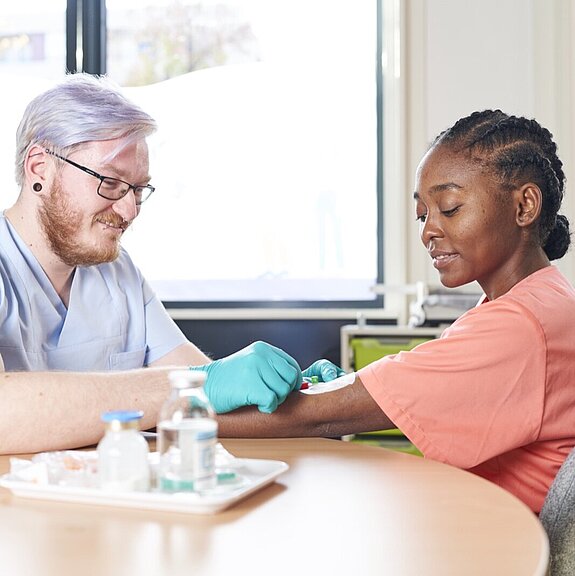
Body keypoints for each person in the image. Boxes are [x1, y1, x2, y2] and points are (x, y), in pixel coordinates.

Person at [217, 109, 575, 514]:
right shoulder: (545, 298)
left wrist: (173, 414)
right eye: (423, 214)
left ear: (524, 205)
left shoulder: (519, 326)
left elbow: (314, 418)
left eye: (450, 207)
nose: (428, 231)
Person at [0, 73, 341, 455]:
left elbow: (201, 399)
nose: (129, 210)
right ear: (39, 168)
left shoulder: (117, 271)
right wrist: (189, 385)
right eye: (110, 182)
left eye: (138, 190)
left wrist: (300, 396)